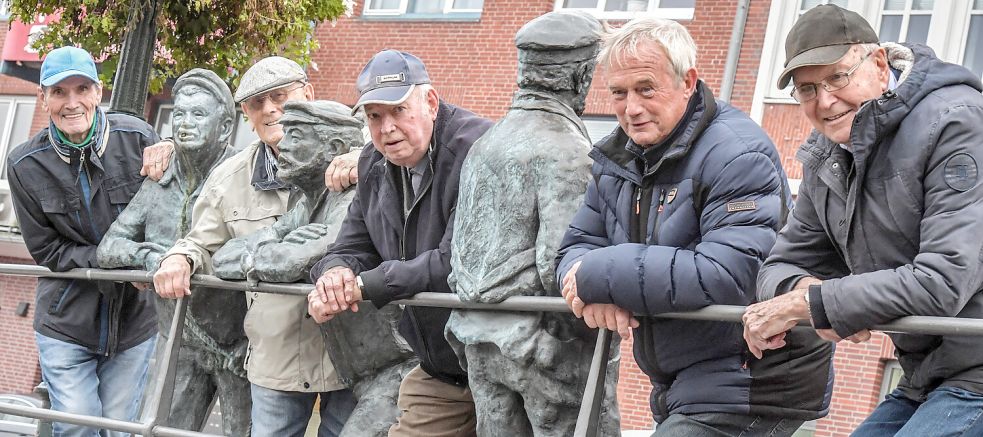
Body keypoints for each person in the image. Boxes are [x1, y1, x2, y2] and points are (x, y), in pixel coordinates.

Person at [554, 18, 833, 436]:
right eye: (618, 93)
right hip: (684, 380)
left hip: (753, 379)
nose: (631, 107)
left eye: (646, 89)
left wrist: (600, 275)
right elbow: (575, 246)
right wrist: (585, 286)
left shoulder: (738, 154)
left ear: (688, 82)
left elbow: (729, 275)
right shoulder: (621, 157)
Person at [744, 5, 983, 436]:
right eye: (807, 89)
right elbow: (779, 267)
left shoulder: (957, 122)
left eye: (837, 77)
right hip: (927, 374)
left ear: (877, 63)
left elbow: (944, 279)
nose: (825, 101)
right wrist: (818, 297)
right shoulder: (828, 154)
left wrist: (816, 304)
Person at [152, 57, 355, 437]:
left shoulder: (355, 155)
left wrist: (363, 157)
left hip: (350, 354)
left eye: (280, 96)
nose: (270, 110)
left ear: (308, 93)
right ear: (245, 114)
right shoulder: (230, 178)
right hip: (275, 360)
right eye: (256, 104)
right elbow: (201, 242)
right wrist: (180, 256)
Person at [444, 11, 620, 436]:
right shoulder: (568, 151)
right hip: (542, 348)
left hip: (479, 340)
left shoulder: (487, 142)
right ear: (581, 77)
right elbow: (558, 264)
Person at [308, 49, 493, 437]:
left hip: (501, 366)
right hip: (441, 369)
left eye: (397, 111)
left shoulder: (478, 148)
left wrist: (364, 286)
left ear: (430, 101)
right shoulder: (373, 163)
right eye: (374, 116)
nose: (386, 128)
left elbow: (455, 261)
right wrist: (335, 274)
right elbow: (351, 245)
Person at [212, 100, 417, 437]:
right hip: (356, 369)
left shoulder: (351, 198)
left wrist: (280, 251)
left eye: (296, 135)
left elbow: (297, 262)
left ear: (334, 147)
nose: (282, 142)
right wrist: (275, 248)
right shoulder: (307, 204)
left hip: (391, 367)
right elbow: (225, 259)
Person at [5, 46, 160, 437]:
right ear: (43, 98)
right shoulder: (24, 163)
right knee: (77, 428)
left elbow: (167, 216)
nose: (71, 102)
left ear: (98, 91)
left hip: (135, 322)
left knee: (119, 430)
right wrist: (119, 265)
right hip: (66, 320)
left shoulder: (139, 138)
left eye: (81, 89)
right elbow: (47, 250)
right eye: (59, 92)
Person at [97, 68, 250, 435]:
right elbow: (109, 248)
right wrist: (153, 259)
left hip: (242, 347)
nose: (184, 123)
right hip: (177, 344)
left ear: (225, 126)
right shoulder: (159, 181)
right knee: (158, 430)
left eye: (198, 115)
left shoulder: (243, 176)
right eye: (179, 113)